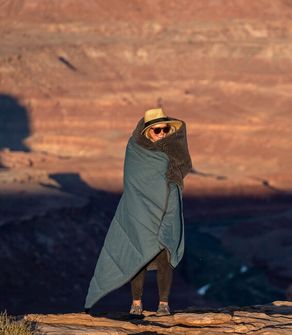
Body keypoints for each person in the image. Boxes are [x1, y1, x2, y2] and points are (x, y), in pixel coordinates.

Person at [84, 108, 192, 316]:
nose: (162, 134)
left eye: (165, 129)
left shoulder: (173, 152)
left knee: (165, 254)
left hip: (167, 209)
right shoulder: (136, 152)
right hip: (140, 211)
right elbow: (133, 183)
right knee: (138, 254)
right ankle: (136, 303)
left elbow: (181, 170)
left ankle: (163, 304)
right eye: (157, 130)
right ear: (147, 132)